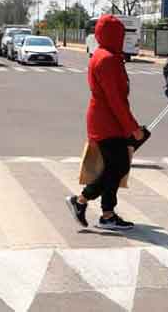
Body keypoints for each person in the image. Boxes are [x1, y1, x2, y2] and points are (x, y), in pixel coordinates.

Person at [66, 15, 143, 231]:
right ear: (113, 35)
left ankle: (107, 214)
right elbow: (115, 100)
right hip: (107, 122)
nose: (122, 38)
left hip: (106, 120)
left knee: (114, 167)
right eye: (120, 34)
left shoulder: (103, 55)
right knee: (118, 166)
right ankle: (81, 200)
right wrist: (132, 127)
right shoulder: (108, 59)